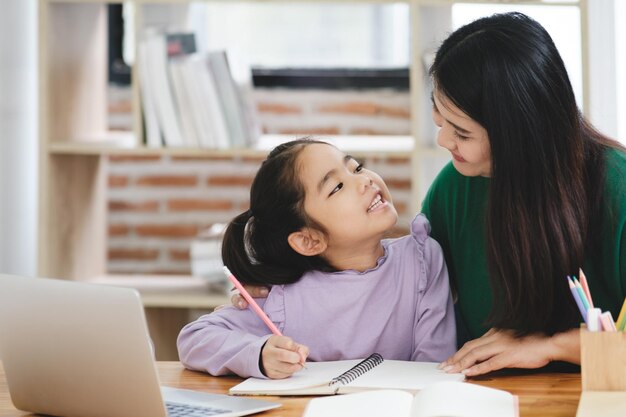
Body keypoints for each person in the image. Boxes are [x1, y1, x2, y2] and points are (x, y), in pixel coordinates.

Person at [232, 12, 626, 377]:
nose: (443, 141)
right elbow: (390, 274)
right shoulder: (456, 186)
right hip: (477, 396)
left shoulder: (617, 190)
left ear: (521, 134)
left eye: (462, 133)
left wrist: (550, 346)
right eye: (440, 120)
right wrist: (278, 282)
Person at [177, 138, 456, 379]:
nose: (365, 180)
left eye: (356, 167)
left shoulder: (422, 260)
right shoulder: (282, 298)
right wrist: (258, 354)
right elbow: (193, 339)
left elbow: (434, 365)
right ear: (308, 240)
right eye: (337, 186)